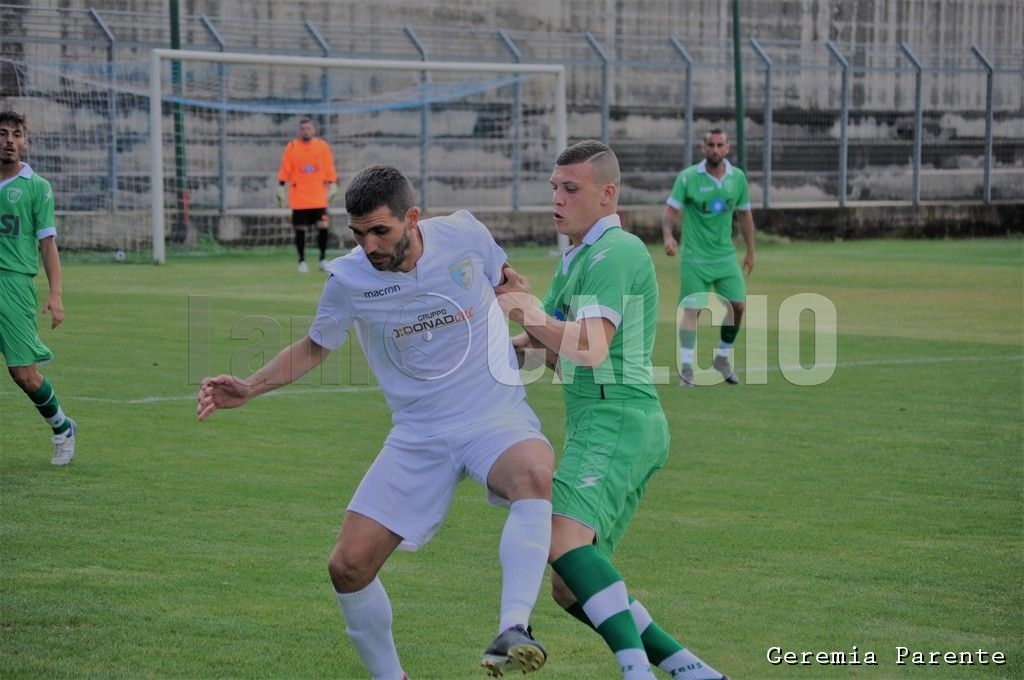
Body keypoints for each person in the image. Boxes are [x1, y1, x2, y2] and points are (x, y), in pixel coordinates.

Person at [198, 164, 554, 679]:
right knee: (347, 566)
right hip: (417, 433)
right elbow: (315, 346)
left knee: (534, 475)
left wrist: (534, 328)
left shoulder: (466, 234)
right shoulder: (349, 278)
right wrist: (251, 387)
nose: (369, 245)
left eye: (380, 231)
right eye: (358, 233)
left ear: (413, 218)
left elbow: (507, 282)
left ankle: (514, 627)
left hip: (491, 414)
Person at [496, 140, 727, 680]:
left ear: (607, 195)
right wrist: (489, 334)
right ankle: (690, 669)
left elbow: (590, 348)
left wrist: (527, 310)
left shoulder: (615, 252)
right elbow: (554, 353)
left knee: (555, 538)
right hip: (604, 422)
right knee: (569, 583)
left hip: (617, 419)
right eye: (554, 187)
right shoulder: (578, 257)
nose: (556, 198)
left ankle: (635, 670)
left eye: (570, 189)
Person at [0, 110, 77, 466]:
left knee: (24, 374)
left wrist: (56, 293)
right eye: (2, 133)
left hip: (14, 284)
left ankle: (62, 429)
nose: (9, 140)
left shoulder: (36, 187)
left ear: (25, 142)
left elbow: (47, 244)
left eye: (16, 134)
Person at [661, 128, 755, 387]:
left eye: (720, 145)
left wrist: (751, 251)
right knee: (693, 309)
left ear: (727, 148)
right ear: (703, 148)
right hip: (694, 258)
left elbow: (745, 216)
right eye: (710, 145)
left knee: (738, 306)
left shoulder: (737, 178)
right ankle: (687, 369)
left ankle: (722, 359)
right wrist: (669, 237)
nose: (715, 149)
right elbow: (669, 215)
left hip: (725, 257)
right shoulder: (688, 178)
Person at [276, 117, 339, 273]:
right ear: (299, 131)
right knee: (300, 229)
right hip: (299, 197)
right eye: (303, 128)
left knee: (323, 226)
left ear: (314, 130)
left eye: (308, 128)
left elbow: (328, 166)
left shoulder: (321, 146)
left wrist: (333, 184)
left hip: (319, 197)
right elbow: (285, 168)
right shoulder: (292, 147)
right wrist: (280, 187)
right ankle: (302, 261)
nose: (306, 131)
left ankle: (323, 259)